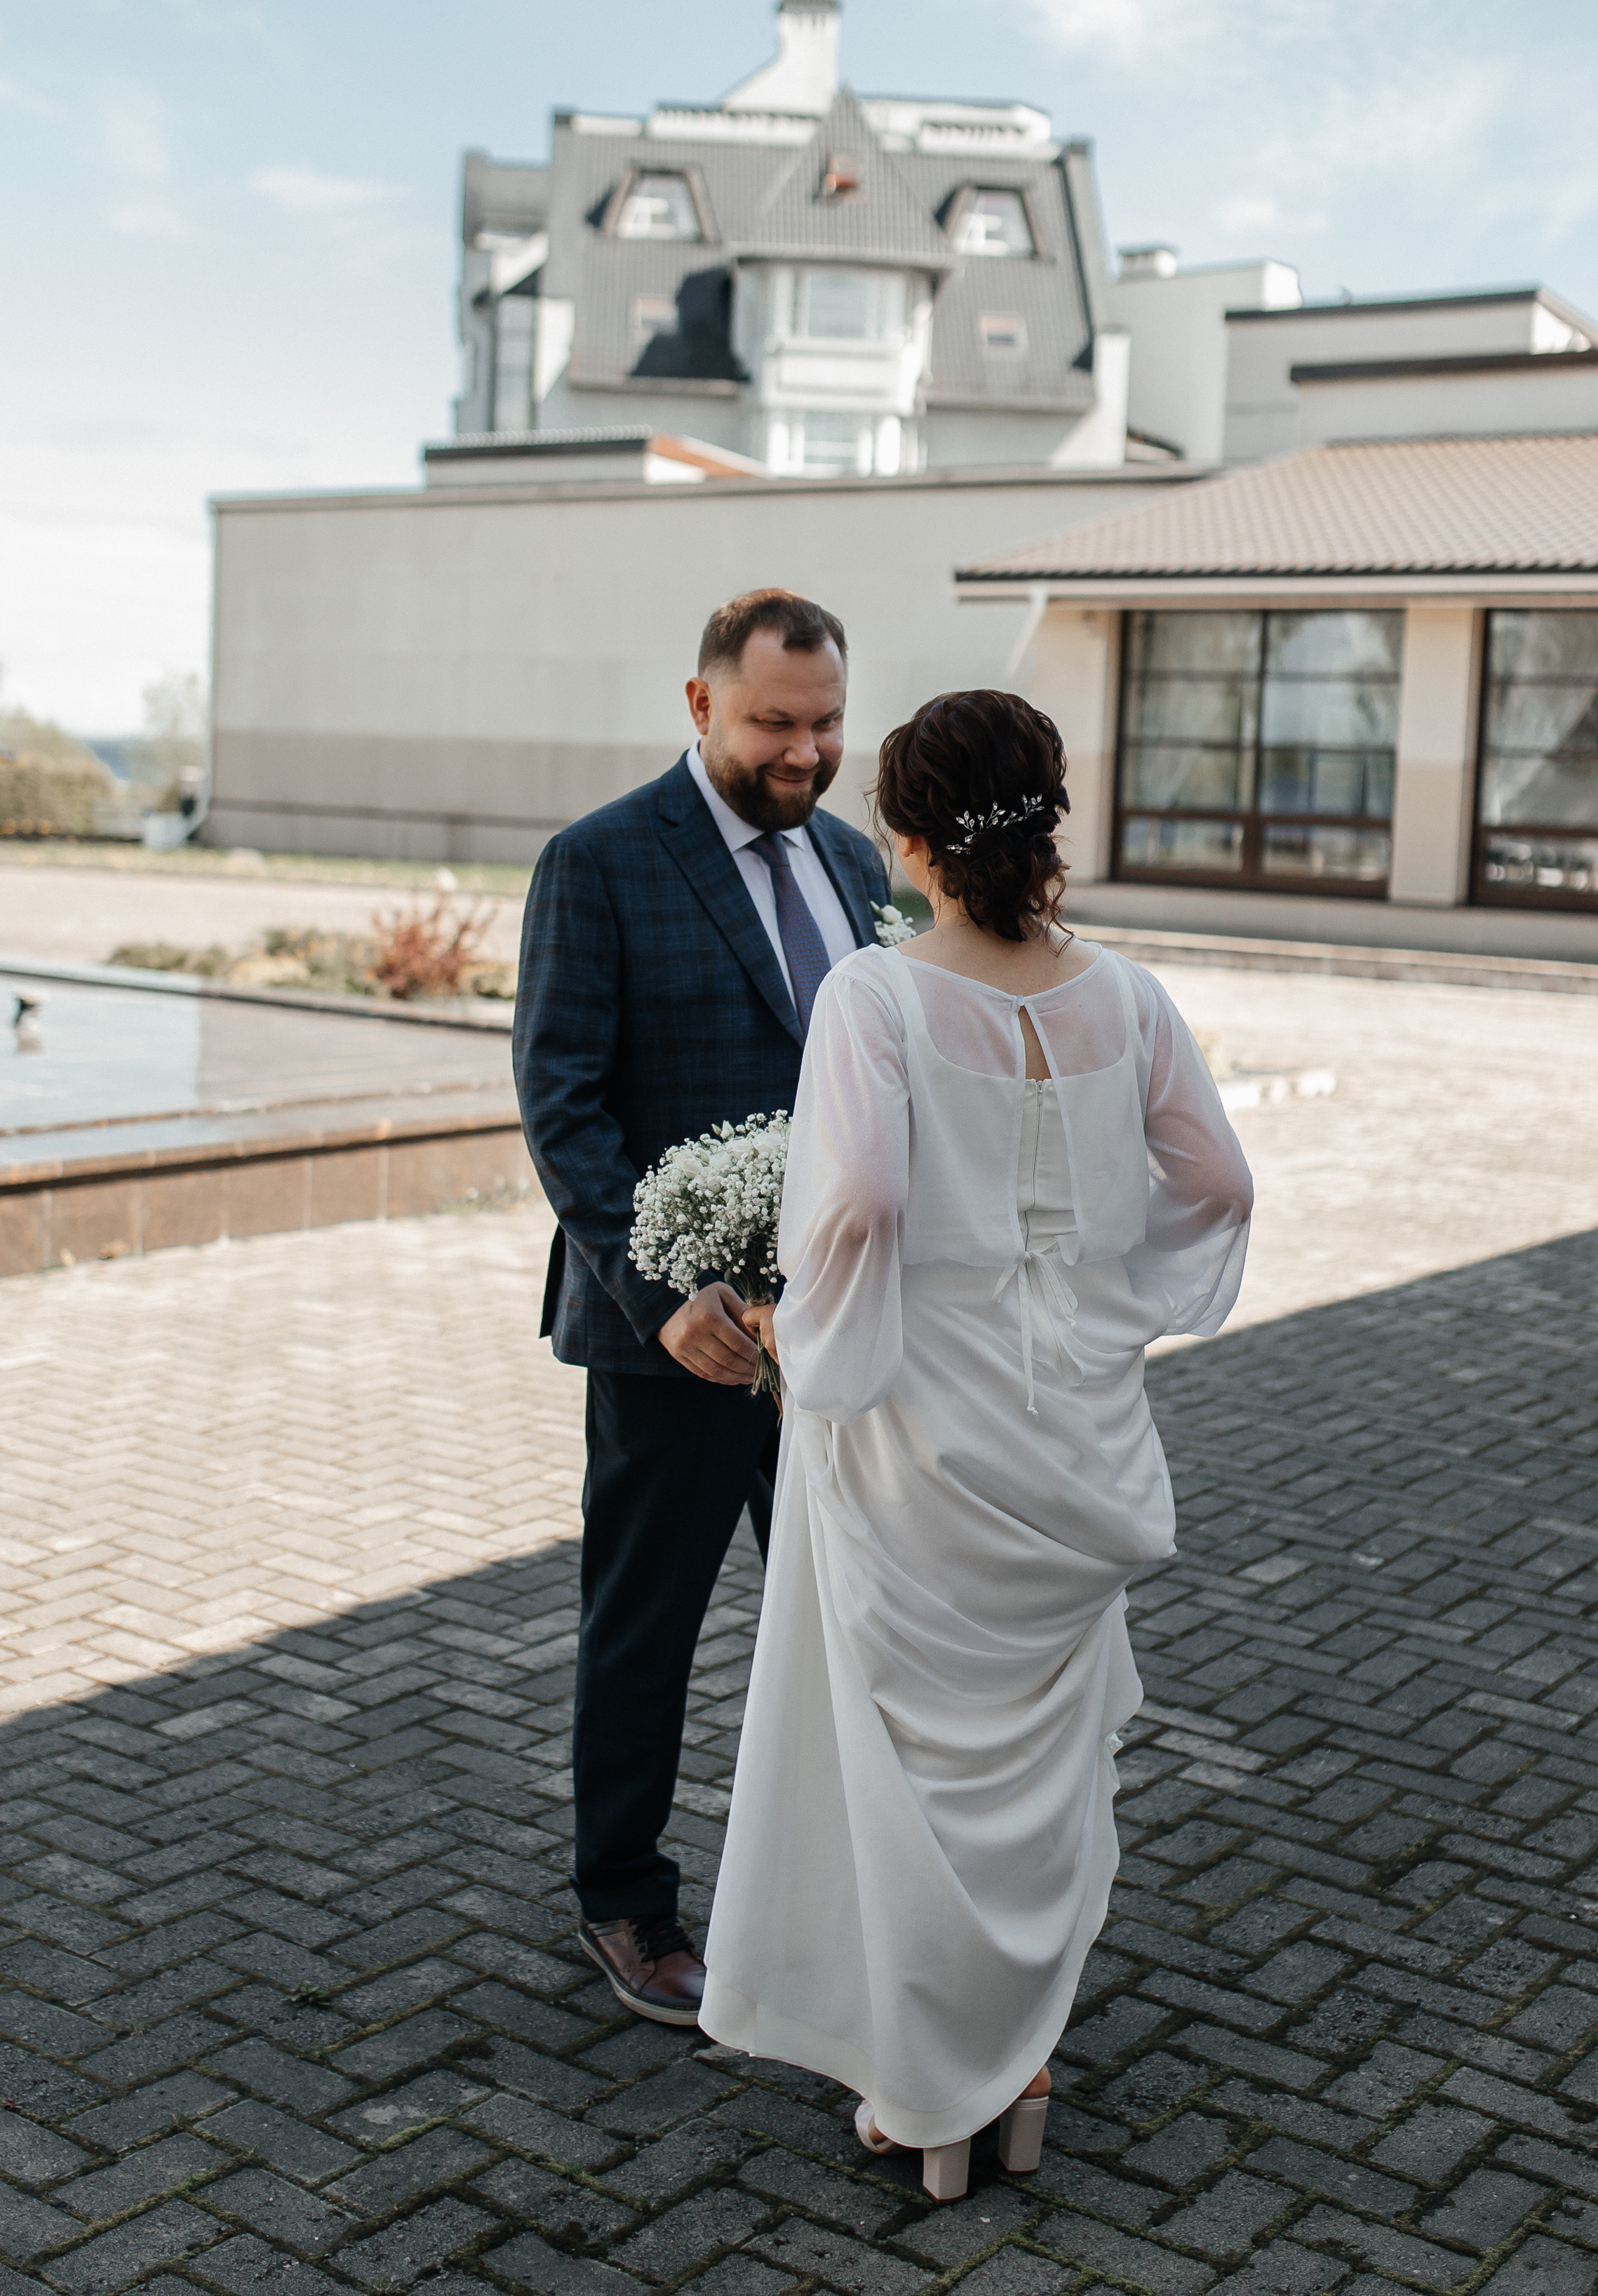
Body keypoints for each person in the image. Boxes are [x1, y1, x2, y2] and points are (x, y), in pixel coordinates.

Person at [699, 688, 1254, 2200]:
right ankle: (1019, 2065)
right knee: (1043, 1765)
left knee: (915, 1772)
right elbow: (1216, 1178)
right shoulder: (1128, 998)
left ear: (910, 836)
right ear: (1048, 819)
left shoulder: (875, 1000)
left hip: (916, 1432)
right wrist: (1101, 1296)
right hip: (1070, 1430)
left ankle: (926, 2092)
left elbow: (863, 1199)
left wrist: (798, 1325)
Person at [512, 588, 889, 2028]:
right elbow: (563, 1104)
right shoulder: (600, 861)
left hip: (839, 1338)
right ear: (699, 707)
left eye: (827, 723)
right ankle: (624, 1898)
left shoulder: (862, 865)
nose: (804, 752)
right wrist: (668, 1291)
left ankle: (848, 1886)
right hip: (674, 1338)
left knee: (854, 1614)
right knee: (647, 1627)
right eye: (774, 723)